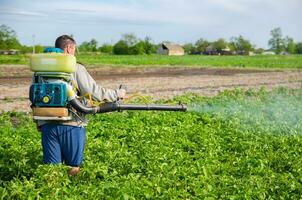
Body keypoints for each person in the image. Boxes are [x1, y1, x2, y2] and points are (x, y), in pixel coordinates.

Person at [37, 35, 126, 175]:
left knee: (51, 169)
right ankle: (71, 192)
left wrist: (38, 121)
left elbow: (36, 96)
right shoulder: (75, 67)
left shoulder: (40, 69)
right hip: (72, 123)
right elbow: (94, 92)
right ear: (69, 48)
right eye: (74, 49)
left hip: (47, 123)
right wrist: (117, 94)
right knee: (73, 167)